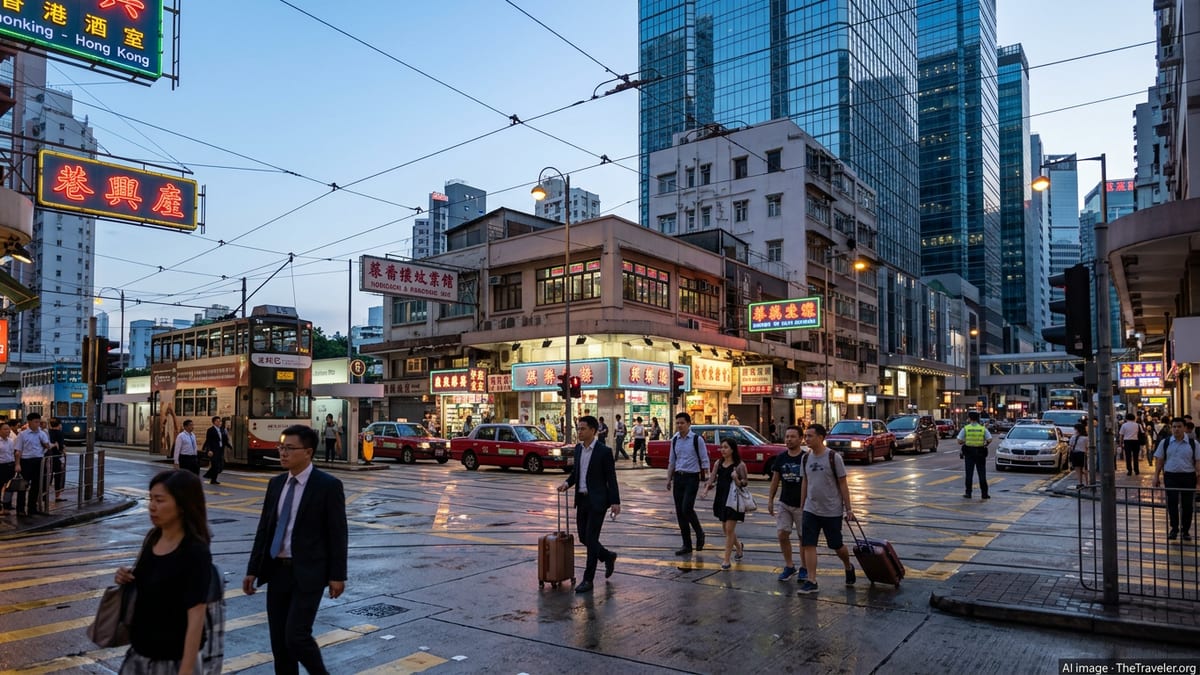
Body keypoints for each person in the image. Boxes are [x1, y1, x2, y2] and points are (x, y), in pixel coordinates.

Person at [244, 425, 348, 675]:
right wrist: (252, 570)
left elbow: (338, 533)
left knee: (296, 636)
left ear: (308, 452)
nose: (283, 453)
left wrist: (338, 575)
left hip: (308, 573)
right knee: (280, 645)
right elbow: (264, 531)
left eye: (290, 448)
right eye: (281, 447)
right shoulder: (276, 484)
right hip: (277, 571)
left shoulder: (327, 486)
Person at [113, 469, 212, 674]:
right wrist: (126, 576)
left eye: (159, 500)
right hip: (139, 655)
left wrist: (186, 670)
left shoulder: (195, 551)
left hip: (172, 661)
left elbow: (196, 617)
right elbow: (150, 580)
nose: (152, 507)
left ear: (182, 505)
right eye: (150, 499)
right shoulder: (153, 537)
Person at [557, 415, 620, 594]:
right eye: (578, 428)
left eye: (583, 429)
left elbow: (611, 479)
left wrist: (615, 501)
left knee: (591, 540)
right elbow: (577, 473)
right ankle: (608, 556)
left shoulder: (603, 451)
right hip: (582, 500)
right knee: (584, 537)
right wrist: (567, 484)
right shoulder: (578, 449)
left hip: (598, 502)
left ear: (593, 430)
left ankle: (588, 579)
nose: (580, 432)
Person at [797, 423, 856, 594]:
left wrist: (849, 509)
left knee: (836, 545)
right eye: (806, 436)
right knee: (808, 544)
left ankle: (847, 565)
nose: (806, 439)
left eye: (810, 436)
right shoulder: (806, 458)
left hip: (832, 510)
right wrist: (802, 505)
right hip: (811, 509)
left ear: (821, 438)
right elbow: (805, 482)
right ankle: (811, 580)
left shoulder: (833, 457)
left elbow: (843, 483)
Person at [767, 425, 808, 582]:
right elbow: (775, 480)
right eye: (787, 437)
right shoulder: (781, 457)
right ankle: (789, 566)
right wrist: (770, 500)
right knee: (782, 534)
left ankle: (804, 567)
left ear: (800, 439)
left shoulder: (806, 458)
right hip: (784, 503)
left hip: (802, 504)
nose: (789, 439)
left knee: (803, 537)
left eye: (792, 437)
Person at [666, 412, 709, 556]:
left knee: (687, 508)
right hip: (678, 477)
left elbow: (704, 459)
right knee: (680, 512)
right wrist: (669, 478)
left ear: (689, 424)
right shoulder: (675, 440)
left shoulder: (697, 439)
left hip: (692, 477)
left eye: (682, 423)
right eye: (677, 423)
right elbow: (672, 460)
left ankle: (699, 532)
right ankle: (687, 544)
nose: (679, 426)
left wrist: (708, 480)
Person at [702, 438, 748, 570]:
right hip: (721, 498)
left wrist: (736, 478)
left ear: (732, 449)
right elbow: (712, 477)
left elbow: (745, 482)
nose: (723, 450)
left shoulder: (739, 465)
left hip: (733, 500)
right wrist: (706, 489)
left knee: (729, 529)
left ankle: (726, 559)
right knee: (726, 529)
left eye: (726, 447)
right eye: (721, 447)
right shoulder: (719, 463)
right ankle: (739, 547)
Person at [1152, 417, 1199, 541]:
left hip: (1188, 476)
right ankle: (1174, 529)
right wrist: (1156, 476)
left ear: (1184, 428)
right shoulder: (1165, 442)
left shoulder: (1194, 444)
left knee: (1187, 505)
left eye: (1179, 426)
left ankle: (1186, 530)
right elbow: (1159, 461)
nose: (1176, 429)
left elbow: (1198, 463)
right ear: (1171, 428)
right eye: (1174, 427)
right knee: (1172, 504)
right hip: (1171, 476)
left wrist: (1199, 481)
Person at [14, 412, 51, 516]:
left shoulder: (42, 433)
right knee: (23, 486)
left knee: (36, 486)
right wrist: (17, 464)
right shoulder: (22, 434)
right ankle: (20, 509)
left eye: (39, 422)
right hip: (26, 461)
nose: (38, 424)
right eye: (35, 422)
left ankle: (32, 508)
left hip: (39, 461)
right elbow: (18, 451)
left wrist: (44, 441)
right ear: (29, 422)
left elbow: (47, 446)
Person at [956, 411, 993, 499]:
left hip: (969, 453)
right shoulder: (982, 428)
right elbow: (990, 439)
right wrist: (984, 444)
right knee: (982, 474)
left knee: (969, 474)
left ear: (970, 418)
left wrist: (966, 442)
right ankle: (984, 494)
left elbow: (959, 441)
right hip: (980, 452)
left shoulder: (966, 428)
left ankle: (968, 493)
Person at [46, 418, 67, 502]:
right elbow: (61, 446)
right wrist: (63, 449)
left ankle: (44, 495)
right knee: (58, 476)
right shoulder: (60, 433)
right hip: (57, 457)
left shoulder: (47, 432)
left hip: (47, 457)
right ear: (59, 425)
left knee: (47, 476)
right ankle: (57, 496)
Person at [203, 416, 226, 485]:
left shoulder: (222, 429)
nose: (219, 422)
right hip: (214, 450)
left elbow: (224, 439)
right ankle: (213, 479)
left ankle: (209, 475)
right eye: (217, 421)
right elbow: (208, 441)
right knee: (215, 465)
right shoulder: (210, 430)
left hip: (220, 449)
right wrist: (209, 450)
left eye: (220, 421)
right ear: (214, 422)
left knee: (221, 465)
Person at [0, 422, 15, 513]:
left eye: (8, 429)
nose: (8, 431)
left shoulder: (11, 441)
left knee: (10, 487)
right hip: (1, 466)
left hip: (10, 465)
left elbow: (13, 453)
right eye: (5, 429)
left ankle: (7, 505)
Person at [1069, 422, 1089, 488]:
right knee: (1084, 469)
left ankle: (1080, 483)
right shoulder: (1086, 438)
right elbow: (1087, 447)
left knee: (1078, 470)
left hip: (1075, 454)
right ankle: (1087, 483)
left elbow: (1071, 447)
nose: (1074, 430)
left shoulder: (1073, 437)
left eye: (1075, 429)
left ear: (1077, 430)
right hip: (1083, 454)